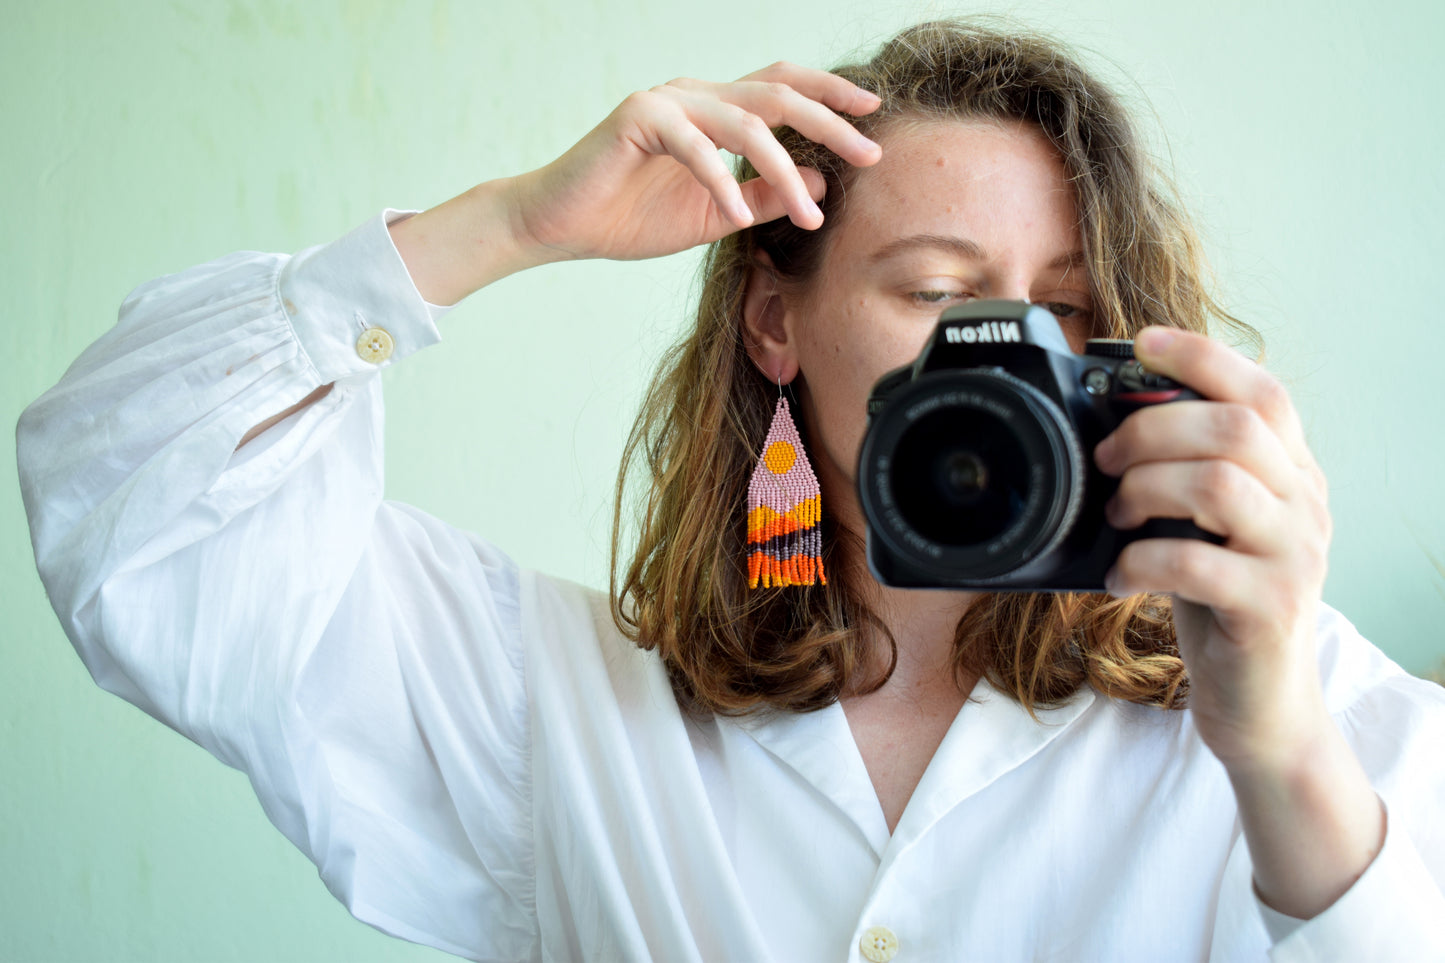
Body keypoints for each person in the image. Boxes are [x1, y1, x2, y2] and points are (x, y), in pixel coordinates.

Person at [17, 18, 1445, 963]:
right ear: (778, 325)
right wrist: (513, 223)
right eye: (936, 293)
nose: (997, 358)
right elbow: (131, 502)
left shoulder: (1310, 712)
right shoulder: (555, 711)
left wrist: (1273, 745)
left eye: (1066, 315)